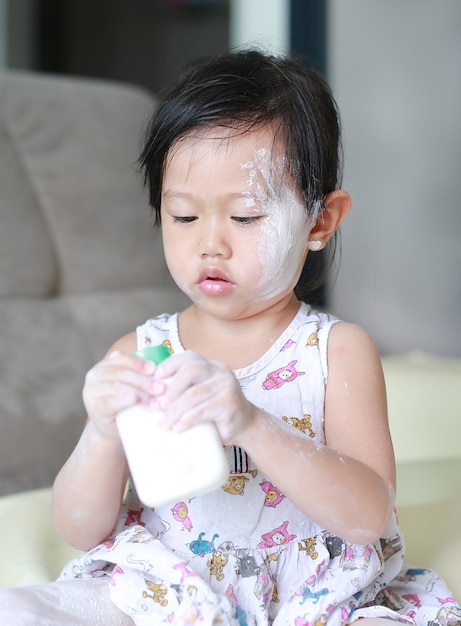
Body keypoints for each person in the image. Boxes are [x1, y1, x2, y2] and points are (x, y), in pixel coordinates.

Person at [0, 49, 459, 626]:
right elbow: (79, 529)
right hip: (167, 592)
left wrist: (250, 423)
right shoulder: (140, 355)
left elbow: (369, 515)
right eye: (184, 217)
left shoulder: (336, 353)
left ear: (319, 221)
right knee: (21, 610)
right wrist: (100, 431)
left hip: (316, 600)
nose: (209, 244)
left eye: (244, 217)